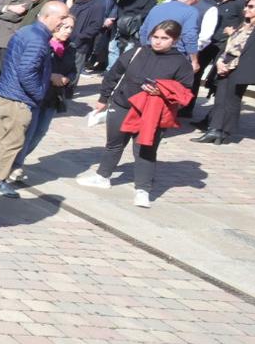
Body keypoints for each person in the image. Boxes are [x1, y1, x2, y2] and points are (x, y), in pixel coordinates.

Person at [78, 19, 195, 208]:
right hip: (122, 104)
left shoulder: (180, 63)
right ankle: (103, 176)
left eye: (164, 38)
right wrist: (103, 98)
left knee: (144, 150)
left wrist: (163, 92)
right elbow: (113, 74)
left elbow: (185, 92)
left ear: (174, 40)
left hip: (151, 112)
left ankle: (142, 189)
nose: (158, 41)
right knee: (114, 144)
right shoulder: (138, 51)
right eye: (155, 37)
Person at [0, 1, 71, 198]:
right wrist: (39, 92)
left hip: (9, 92)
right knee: (13, 140)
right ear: (48, 16)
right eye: (62, 18)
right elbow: (27, 71)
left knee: (2, 135)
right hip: (18, 97)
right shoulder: (38, 39)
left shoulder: (28, 31)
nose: (63, 22)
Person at [193, 0, 255, 145]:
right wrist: (221, 61)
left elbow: (252, 51)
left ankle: (220, 130)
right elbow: (233, 44)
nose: (246, 9)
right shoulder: (245, 24)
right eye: (247, 5)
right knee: (221, 98)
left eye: (251, 6)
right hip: (226, 63)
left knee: (231, 99)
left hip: (238, 67)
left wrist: (229, 66)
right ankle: (216, 129)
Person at [141, 0, 211, 74]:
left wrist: (146, 48)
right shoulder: (190, 11)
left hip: (150, 52)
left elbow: (143, 31)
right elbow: (189, 36)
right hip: (173, 56)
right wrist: (194, 61)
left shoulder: (158, 7)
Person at [110, 0, 158, 65]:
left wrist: (132, 21)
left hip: (135, 25)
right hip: (120, 21)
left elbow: (147, 11)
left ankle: (121, 71)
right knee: (113, 48)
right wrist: (120, 18)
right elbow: (120, 5)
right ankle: (110, 70)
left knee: (129, 50)